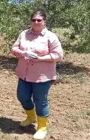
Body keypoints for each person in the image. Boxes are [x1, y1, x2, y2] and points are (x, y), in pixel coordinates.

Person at [11, 9, 63, 140]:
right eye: (33, 19)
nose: (36, 22)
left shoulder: (50, 37)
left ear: (44, 22)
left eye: (39, 20)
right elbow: (14, 49)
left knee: (40, 101)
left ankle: (42, 127)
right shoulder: (24, 34)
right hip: (24, 74)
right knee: (22, 96)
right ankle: (31, 117)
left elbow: (59, 55)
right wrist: (23, 53)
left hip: (42, 76)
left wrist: (40, 58)